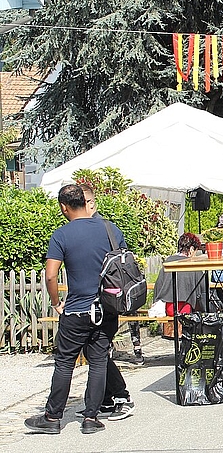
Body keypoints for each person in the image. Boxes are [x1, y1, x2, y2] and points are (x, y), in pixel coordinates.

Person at [25, 185, 124, 434]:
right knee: (99, 361)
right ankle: (91, 418)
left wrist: (57, 302)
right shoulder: (110, 229)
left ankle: (52, 417)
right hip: (106, 308)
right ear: (85, 201)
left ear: (63, 207)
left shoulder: (61, 235)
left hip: (77, 310)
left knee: (65, 363)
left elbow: (50, 276)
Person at [77, 184, 137, 420]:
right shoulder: (107, 229)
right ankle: (106, 398)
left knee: (98, 352)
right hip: (98, 299)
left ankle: (121, 396)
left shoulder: (104, 229)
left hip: (105, 300)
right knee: (95, 352)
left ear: (91, 204)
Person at [153, 233, 206, 315]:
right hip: (186, 308)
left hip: (168, 307)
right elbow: (203, 289)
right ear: (191, 249)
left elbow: (158, 286)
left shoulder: (168, 262)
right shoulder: (192, 265)